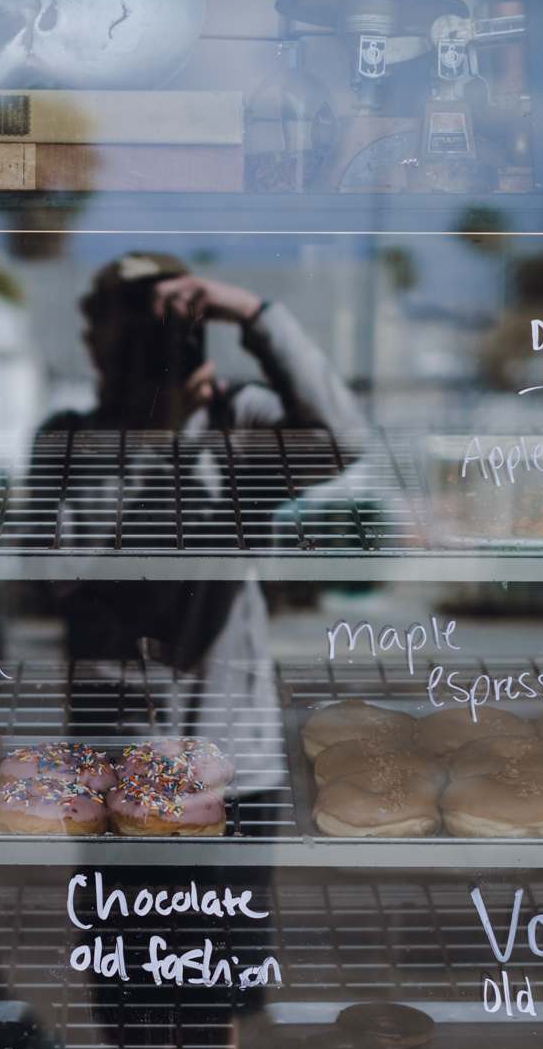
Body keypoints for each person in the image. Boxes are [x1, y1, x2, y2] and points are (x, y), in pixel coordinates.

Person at [33, 252, 368, 777]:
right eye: (129, 322)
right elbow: (65, 582)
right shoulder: (68, 439)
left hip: (236, 758)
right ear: (94, 338)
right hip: (117, 757)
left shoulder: (234, 419)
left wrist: (254, 314)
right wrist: (158, 441)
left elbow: (345, 441)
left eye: (162, 324)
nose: (148, 344)